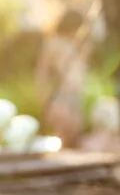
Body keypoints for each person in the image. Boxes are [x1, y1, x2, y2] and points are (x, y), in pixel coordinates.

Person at [35, 9, 90, 147]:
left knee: (76, 139)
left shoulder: (77, 44)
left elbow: (80, 70)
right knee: (64, 139)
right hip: (63, 96)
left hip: (76, 95)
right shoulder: (54, 43)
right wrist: (45, 99)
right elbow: (42, 72)